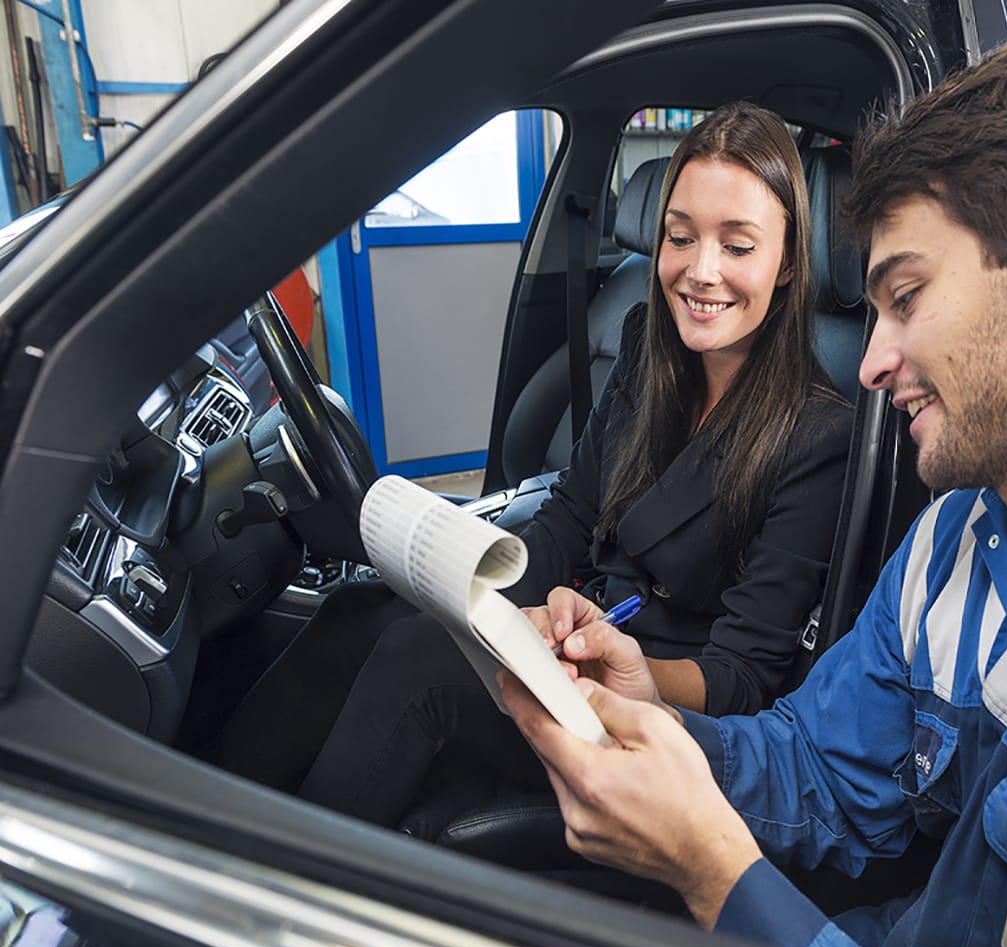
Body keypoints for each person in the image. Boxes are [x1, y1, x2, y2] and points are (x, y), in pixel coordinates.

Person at [500, 22, 1007, 947]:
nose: (874, 362)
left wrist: (717, 875)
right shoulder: (951, 547)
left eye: (906, 296)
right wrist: (656, 729)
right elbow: (820, 771)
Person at [211, 101, 853, 834]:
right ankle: (204, 822)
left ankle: (281, 883)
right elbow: (571, 516)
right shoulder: (649, 347)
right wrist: (464, 586)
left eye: (738, 247)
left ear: (791, 262)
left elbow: (742, 679)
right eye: (680, 237)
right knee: (360, 609)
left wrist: (617, 661)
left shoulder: (819, 434)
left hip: (648, 706)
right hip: (573, 630)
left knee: (419, 661)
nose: (701, 272)